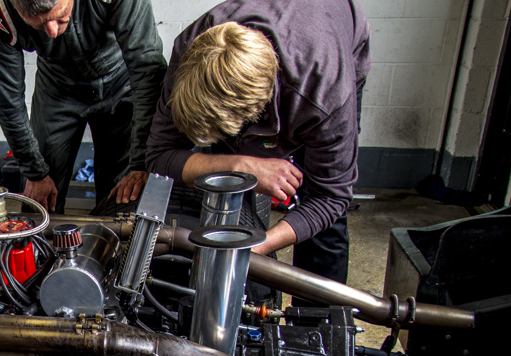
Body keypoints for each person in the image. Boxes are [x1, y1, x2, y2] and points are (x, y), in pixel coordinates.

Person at [146, 0, 371, 287]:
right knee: (226, 184)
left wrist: (261, 245)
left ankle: (314, 322)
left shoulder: (326, 96)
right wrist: (242, 165)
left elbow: (331, 197)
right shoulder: (192, 54)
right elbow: (159, 156)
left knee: (325, 227)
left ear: (253, 114)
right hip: (278, 56)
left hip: (335, 37)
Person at [0, 0, 166, 213]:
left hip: (120, 82)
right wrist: (35, 171)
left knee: (121, 196)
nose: (51, 32)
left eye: (59, 17)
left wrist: (141, 162)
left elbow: (147, 71)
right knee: (39, 204)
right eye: (39, 25)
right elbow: (7, 102)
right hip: (57, 86)